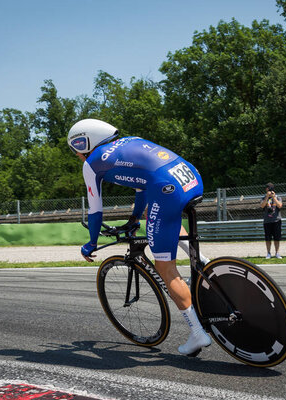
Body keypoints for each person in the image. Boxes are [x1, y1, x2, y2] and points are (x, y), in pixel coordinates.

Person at [68, 118, 211, 356]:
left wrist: (91, 243)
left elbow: (95, 211)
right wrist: (135, 219)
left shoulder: (92, 163)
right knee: (158, 213)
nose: (76, 155)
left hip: (168, 189)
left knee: (165, 268)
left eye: (76, 149)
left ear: (85, 142)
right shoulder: (130, 141)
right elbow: (143, 188)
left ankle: (198, 333)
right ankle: (201, 260)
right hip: (191, 177)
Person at [260, 183, 283, 259]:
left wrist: (274, 197)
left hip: (276, 220)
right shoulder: (264, 198)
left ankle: (277, 253)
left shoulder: (278, 197)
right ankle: (268, 253)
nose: (269, 191)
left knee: (277, 238)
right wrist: (267, 197)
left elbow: (280, 206)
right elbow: (262, 206)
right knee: (268, 238)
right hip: (267, 221)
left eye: (270, 189)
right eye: (268, 189)